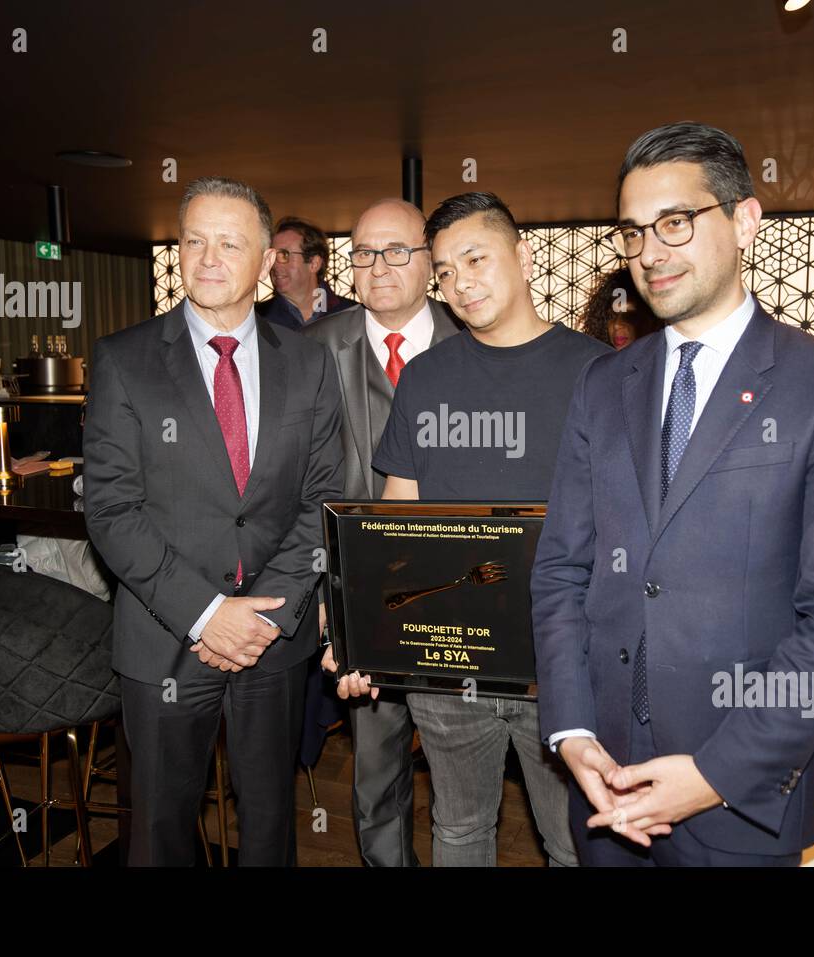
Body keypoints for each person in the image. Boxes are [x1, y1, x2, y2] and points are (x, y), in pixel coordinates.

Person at [531, 121, 814, 866]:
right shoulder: (602, 384)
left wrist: (714, 774)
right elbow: (562, 571)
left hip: (741, 803)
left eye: (674, 222)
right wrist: (572, 733)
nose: (650, 252)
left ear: (744, 220)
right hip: (606, 795)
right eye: (632, 232)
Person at [340, 191, 608, 867]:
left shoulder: (599, 373)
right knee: (458, 829)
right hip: (448, 655)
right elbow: (398, 515)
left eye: (475, 259)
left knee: (572, 840)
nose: (460, 283)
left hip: (562, 662)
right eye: (446, 273)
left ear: (522, 256)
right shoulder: (426, 377)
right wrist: (363, 632)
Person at [83, 176, 343, 866]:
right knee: (161, 831)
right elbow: (110, 508)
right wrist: (206, 613)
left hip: (272, 640)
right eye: (193, 240)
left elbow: (324, 496)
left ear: (265, 264)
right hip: (166, 638)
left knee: (268, 829)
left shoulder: (312, 364)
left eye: (230, 243)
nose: (207, 258)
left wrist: (261, 618)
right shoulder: (123, 359)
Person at [305, 198, 460, 866]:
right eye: (365, 252)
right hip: (354, 592)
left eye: (398, 250)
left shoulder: (475, 339)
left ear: (430, 260)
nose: (380, 266)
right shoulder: (313, 347)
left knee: (462, 775)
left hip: (458, 588)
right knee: (374, 769)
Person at [258, 216, 356, 330]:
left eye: (284, 255)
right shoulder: (257, 319)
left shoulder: (352, 316)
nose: (274, 264)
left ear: (314, 263)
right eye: (272, 256)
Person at [579, 266, 659, 349]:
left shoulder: (668, 360)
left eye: (629, 315)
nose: (617, 325)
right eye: (612, 316)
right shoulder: (597, 359)